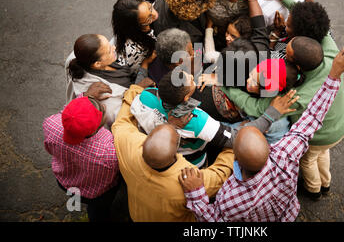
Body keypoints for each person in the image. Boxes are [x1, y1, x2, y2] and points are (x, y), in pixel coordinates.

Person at [179, 44, 344, 221]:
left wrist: (197, 194)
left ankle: (314, 189)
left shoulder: (231, 197)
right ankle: (321, 187)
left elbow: (213, 218)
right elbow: (313, 117)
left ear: (234, 157)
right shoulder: (286, 156)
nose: (248, 83)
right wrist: (334, 76)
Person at [112, 81, 295, 221]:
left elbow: (121, 122)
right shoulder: (189, 180)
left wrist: (136, 88)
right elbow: (222, 171)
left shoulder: (127, 147)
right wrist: (239, 146)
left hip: (138, 215)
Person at [222, 35, 344, 200]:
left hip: (319, 136)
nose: (283, 53)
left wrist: (225, 86)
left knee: (308, 161)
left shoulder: (290, 99)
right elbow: (324, 33)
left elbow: (257, 107)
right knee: (322, 154)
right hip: (338, 125)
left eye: (288, 54)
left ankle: (314, 190)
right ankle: (326, 183)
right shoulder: (331, 57)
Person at [133, 69, 297, 167]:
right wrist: (270, 115)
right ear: (185, 99)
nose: (192, 76)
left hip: (156, 152)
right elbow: (236, 138)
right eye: (190, 79)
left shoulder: (145, 96)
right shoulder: (195, 119)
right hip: (191, 162)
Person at [43, 82, 120, 222]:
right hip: (98, 193)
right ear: (95, 129)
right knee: (99, 212)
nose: (102, 106)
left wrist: (85, 97)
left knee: (77, 198)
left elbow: (67, 114)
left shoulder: (51, 124)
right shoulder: (109, 152)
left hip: (65, 181)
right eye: (101, 112)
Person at [67, 34, 156, 129]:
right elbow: (126, 115)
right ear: (97, 64)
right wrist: (143, 70)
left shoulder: (85, 59)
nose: (114, 47)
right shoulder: (107, 97)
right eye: (109, 51)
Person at [112, 0, 159, 70]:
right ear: (136, 27)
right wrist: (146, 62)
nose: (155, 14)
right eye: (148, 19)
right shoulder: (133, 52)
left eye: (150, 7)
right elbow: (136, 73)